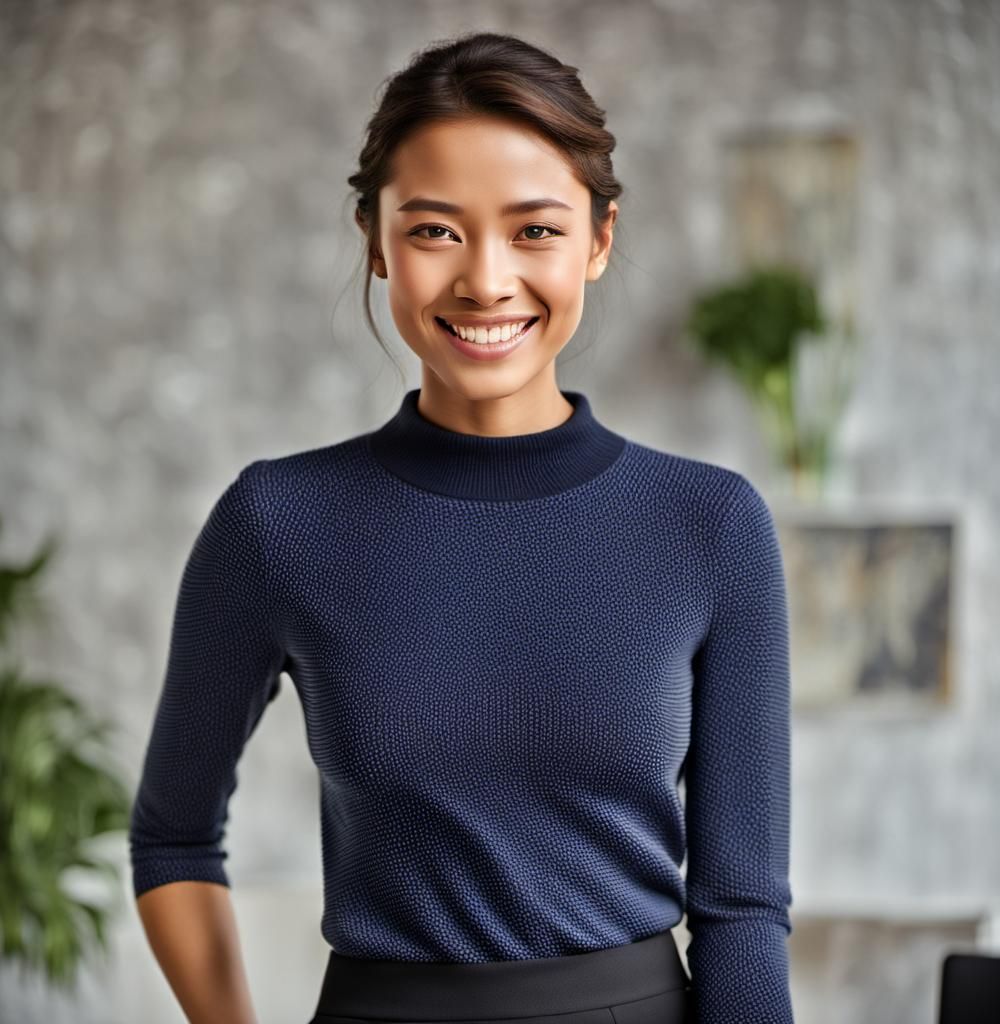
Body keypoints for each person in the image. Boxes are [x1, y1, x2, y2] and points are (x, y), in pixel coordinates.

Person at [129, 30, 795, 1024]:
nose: (485, 280)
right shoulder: (278, 520)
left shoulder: (707, 525)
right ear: (374, 238)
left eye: (534, 231)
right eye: (435, 230)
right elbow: (174, 837)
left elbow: (740, 907)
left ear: (599, 240)